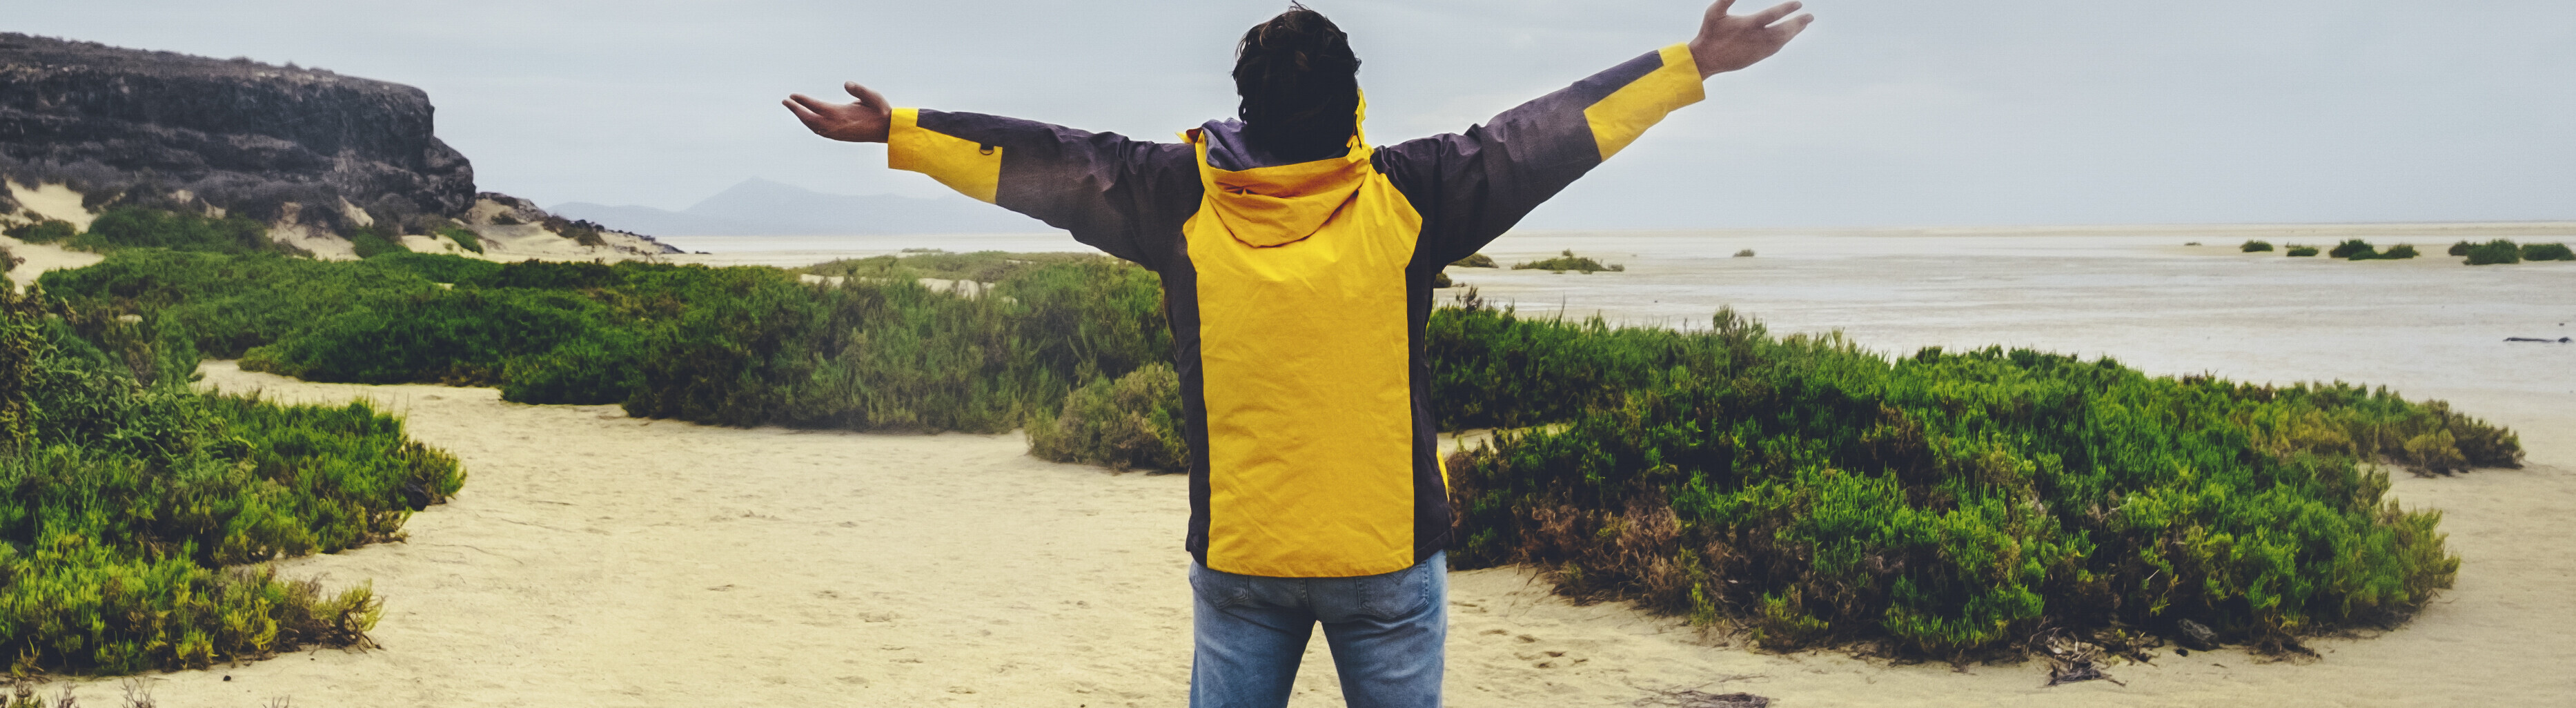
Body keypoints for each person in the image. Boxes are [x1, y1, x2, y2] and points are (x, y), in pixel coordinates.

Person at [783, 2, 1811, 705]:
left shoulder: (1173, 195)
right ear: (1351, 102)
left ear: (1246, 107)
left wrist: (905, 131)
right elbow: (1540, 137)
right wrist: (1683, 66)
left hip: (1241, 558)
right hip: (1388, 559)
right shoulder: (1415, 193)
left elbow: (1050, 162)